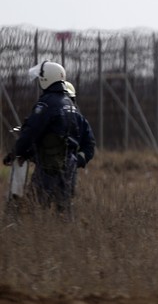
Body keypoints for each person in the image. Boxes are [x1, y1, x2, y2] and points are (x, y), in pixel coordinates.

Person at [2, 61, 94, 215]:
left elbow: (31, 133)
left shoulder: (47, 104)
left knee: (34, 209)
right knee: (64, 213)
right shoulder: (69, 105)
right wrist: (78, 160)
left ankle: (32, 234)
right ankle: (67, 237)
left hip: (48, 167)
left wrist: (16, 153)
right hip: (68, 165)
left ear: (47, 79)